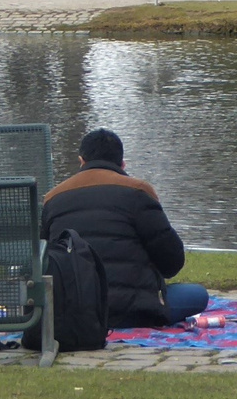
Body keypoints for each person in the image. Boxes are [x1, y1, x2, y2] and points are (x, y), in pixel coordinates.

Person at [41, 129, 208, 328]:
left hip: (76, 312)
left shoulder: (52, 199)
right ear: (122, 164)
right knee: (197, 295)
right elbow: (172, 262)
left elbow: (43, 260)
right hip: (133, 311)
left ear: (81, 161)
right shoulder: (138, 191)